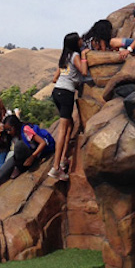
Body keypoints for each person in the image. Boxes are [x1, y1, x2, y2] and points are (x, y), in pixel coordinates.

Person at [48, 32, 89, 181]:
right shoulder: (74, 56)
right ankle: (55, 167)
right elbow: (83, 72)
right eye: (78, 39)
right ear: (74, 43)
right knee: (63, 130)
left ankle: (64, 157)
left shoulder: (64, 57)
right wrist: (84, 55)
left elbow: (54, 78)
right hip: (66, 93)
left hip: (57, 91)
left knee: (69, 125)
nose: (81, 40)